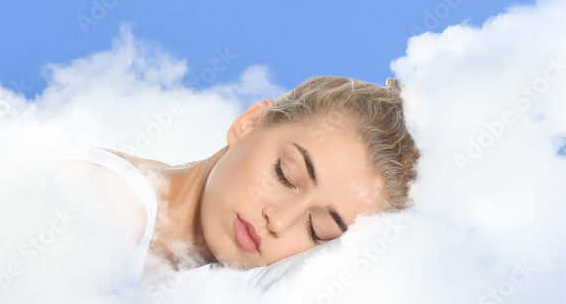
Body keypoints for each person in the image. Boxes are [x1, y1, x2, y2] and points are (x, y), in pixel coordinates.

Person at [57, 76, 420, 292]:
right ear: (249, 123)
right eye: (284, 174)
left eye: (317, 229)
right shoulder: (100, 204)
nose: (278, 220)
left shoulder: (196, 290)